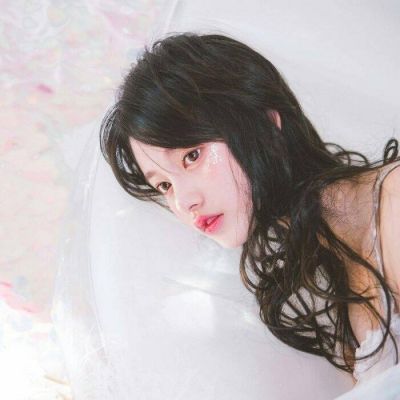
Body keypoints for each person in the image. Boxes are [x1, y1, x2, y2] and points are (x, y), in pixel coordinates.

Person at [98, 32, 400, 385]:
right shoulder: (335, 277)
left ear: (266, 121)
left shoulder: (394, 197)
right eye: (164, 185)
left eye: (192, 156)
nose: (183, 201)